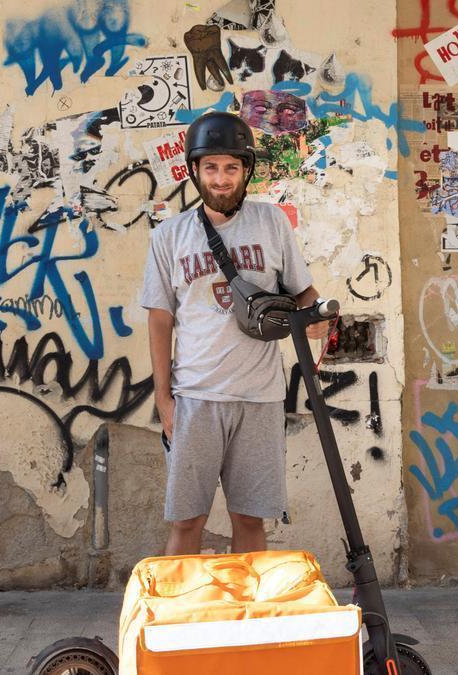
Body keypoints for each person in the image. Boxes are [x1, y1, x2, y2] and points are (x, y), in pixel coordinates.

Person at [140, 111, 328, 556]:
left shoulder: (271, 223)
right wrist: (164, 398)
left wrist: (319, 319)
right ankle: (177, 620)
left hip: (259, 398)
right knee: (187, 521)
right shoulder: (170, 235)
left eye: (230, 168)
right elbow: (160, 318)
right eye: (211, 168)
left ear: (246, 171)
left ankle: (253, 619)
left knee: (250, 517)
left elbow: (304, 294)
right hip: (195, 397)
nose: (221, 179)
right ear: (195, 171)